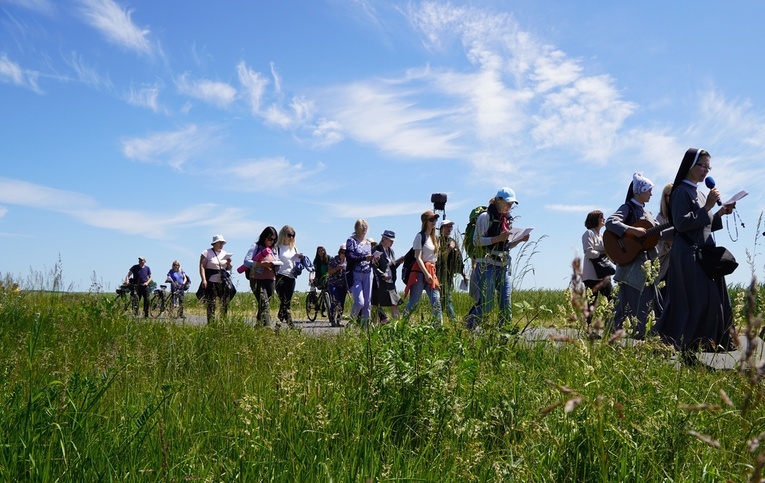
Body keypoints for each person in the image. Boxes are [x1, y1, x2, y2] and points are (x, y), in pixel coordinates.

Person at [653, 148, 736, 357]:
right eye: (702, 166)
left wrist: (719, 212)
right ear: (690, 165)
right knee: (697, 299)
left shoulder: (699, 192)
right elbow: (681, 224)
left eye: (708, 167)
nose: (705, 171)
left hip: (702, 252)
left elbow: (704, 224)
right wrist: (708, 205)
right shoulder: (681, 191)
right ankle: (686, 342)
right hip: (689, 254)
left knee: (713, 298)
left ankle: (707, 342)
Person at [604, 173, 662, 338]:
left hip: (646, 263)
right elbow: (611, 222)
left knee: (646, 299)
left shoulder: (648, 212)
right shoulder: (627, 208)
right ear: (639, 191)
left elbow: (658, 233)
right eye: (648, 190)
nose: (651, 194)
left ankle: (643, 332)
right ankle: (621, 333)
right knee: (627, 299)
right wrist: (632, 230)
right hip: (632, 263)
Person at [466, 188, 530, 329]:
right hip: (486, 265)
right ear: (498, 200)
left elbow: (505, 245)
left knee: (506, 304)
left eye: (512, 203)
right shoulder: (485, 217)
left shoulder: (507, 219)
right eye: (508, 202)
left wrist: (519, 240)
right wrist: (498, 238)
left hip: (504, 265)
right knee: (487, 306)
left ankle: (504, 338)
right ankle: (468, 325)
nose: (510, 206)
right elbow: (477, 241)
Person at [403, 211, 443, 326]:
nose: (434, 222)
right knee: (414, 301)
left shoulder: (434, 238)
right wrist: (426, 274)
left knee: (436, 300)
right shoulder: (420, 236)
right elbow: (418, 257)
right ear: (425, 222)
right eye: (431, 220)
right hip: (420, 272)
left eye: (435, 220)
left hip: (431, 270)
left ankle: (438, 327)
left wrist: (432, 274)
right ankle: (403, 325)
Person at [581, 210, 613, 324]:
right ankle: (588, 329)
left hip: (603, 274)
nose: (603, 219)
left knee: (612, 299)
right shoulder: (589, 233)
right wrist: (602, 253)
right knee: (591, 303)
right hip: (591, 275)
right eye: (601, 217)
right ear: (595, 219)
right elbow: (588, 252)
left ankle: (610, 326)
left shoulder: (602, 235)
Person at [243, 226, 279, 327]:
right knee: (264, 304)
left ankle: (258, 327)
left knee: (264, 305)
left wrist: (276, 265)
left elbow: (276, 260)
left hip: (271, 279)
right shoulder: (256, 246)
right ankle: (267, 328)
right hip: (257, 279)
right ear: (264, 237)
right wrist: (261, 264)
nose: (271, 241)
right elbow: (246, 261)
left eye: (274, 239)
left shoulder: (275, 249)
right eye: (270, 238)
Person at [275, 225, 307, 329]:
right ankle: (289, 325)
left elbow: (296, 262)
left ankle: (279, 326)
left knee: (287, 303)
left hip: (291, 277)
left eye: (293, 235)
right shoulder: (277, 248)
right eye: (289, 235)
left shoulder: (294, 248)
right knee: (284, 302)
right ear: (283, 235)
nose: (291, 238)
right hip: (280, 276)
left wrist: (300, 258)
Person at [345, 219, 374, 327]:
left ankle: (365, 328)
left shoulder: (368, 243)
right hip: (356, 274)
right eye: (362, 226)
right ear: (356, 228)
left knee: (367, 303)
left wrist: (373, 259)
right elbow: (350, 257)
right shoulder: (351, 241)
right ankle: (351, 321)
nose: (364, 228)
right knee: (359, 302)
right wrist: (364, 258)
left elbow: (369, 258)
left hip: (368, 273)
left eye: (366, 226)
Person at [199, 234, 233, 324]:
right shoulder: (206, 252)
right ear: (214, 243)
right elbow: (202, 266)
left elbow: (228, 268)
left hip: (223, 281)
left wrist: (229, 263)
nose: (221, 244)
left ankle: (223, 321)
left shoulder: (225, 253)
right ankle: (211, 323)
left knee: (224, 302)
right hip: (211, 281)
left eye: (222, 243)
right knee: (211, 303)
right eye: (220, 243)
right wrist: (204, 279)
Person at [371, 230, 403, 325]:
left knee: (394, 303)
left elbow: (391, 266)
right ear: (384, 239)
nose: (392, 242)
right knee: (376, 304)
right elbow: (372, 265)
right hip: (379, 282)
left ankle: (398, 327)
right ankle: (373, 327)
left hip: (390, 281)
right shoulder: (376, 249)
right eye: (390, 240)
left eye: (393, 240)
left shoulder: (391, 251)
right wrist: (382, 275)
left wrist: (398, 262)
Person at [437, 219, 465, 321]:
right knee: (446, 297)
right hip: (439, 274)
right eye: (447, 227)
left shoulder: (452, 241)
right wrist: (449, 248)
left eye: (450, 227)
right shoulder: (438, 241)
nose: (449, 229)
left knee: (443, 298)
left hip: (449, 274)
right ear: (441, 229)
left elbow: (459, 259)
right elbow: (439, 258)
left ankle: (437, 319)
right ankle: (453, 320)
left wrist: (463, 273)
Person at [656, 183, 675, 299]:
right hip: (665, 266)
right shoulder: (660, 219)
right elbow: (656, 248)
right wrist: (668, 245)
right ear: (665, 197)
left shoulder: (678, 215)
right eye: (670, 195)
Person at [327, 244, 348, 327]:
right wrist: (337, 268)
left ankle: (339, 320)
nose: (344, 254)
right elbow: (329, 271)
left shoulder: (347, 261)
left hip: (343, 285)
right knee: (335, 300)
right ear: (339, 252)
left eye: (346, 252)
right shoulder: (333, 260)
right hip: (333, 283)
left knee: (342, 303)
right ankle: (332, 319)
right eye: (343, 252)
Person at [312, 246, 330, 316]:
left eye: (322, 251)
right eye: (319, 251)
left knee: (328, 292)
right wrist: (311, 277)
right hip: (319, 278)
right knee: (322, 291)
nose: (321, 252)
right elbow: (313, 270)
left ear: (324, 251)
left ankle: (325, 309)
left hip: (328, 277)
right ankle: (317, 305)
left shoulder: (328, 258)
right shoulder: (316, 260)